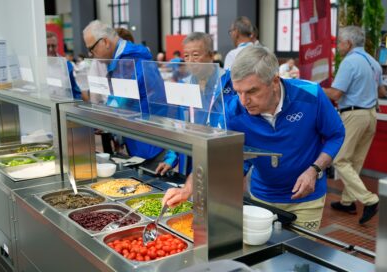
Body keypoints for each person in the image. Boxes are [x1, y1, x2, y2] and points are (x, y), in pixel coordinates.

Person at [163, 46, 345, 231]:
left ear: (274, 81)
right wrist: (188, 188)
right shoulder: (233, 111)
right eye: (238, 92)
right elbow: (215, 155)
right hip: (262, 196)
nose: (244, 101)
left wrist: (314, 169)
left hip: (307, 199)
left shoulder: (311, 95)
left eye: (251, 91)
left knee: (301, 256)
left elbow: (336, 135)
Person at [83, 20, 176, 168]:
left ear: (105, 42)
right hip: (142, 136)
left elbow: (119, 101)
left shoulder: (128, 61)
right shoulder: (124, 59)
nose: (92, 54)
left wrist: (100, 118)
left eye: (92, 49)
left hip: (150, 141)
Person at [323, 26, 387, 224]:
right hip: (370, 116)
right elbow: (382, 92)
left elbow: (335, 94)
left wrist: (312, 87)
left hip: (353, 115)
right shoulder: (374, 62)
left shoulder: (350, 62)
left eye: (339, 42)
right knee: (355, 161)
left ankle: (370, 200)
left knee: (340, 159)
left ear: (348, 43)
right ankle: (347, 201)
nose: (338, 46)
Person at [155, 32, 236, 176]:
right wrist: (170, 158)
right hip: (191, 157)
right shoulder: (184, 85)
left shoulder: (229, 82)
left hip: (221, 156)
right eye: (186, 56)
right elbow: (178, 126)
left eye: (196, 55)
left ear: (211, 56)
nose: (191, 61)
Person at [46, 32, 82, 100]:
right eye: (47, 46)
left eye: (53, 46)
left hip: (64, 106)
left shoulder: (66, 65)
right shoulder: (39, 65)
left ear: (57, 46)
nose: (50, 49)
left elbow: (75, 90)